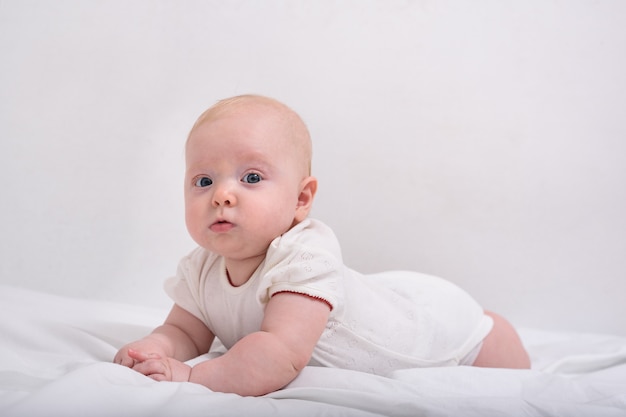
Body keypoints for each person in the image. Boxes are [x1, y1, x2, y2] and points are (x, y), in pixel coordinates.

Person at [114, 94, 530, 396]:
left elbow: (279, 353)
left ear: (301, 199)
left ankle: (496, 330)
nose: (222, 194)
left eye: (252, 178)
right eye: (203, 181)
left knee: (492, 349)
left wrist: (192, 378)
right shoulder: (201, 267)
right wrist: (152, 350)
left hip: (421, 333)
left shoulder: (306, 255)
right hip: (368, 297)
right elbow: (184, 331)